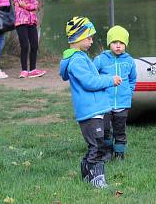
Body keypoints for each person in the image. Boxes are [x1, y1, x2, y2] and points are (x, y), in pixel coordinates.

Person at [59, 16, 115, 189]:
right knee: (96, 146)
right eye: (89, 37)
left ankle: (86, 175)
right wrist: (109, 80)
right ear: (77, 38)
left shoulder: (81, 57)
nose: (91, 41)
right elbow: (89, 82)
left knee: (100, 144)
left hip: (96, 109)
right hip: (90, 111)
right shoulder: (76, 61)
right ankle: (97, 179)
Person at [94, 25, 137, 161]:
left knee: (120, 130)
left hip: (123, 102)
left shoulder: (129, 61)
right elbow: (93, 77)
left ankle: (119, 153)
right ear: (109, 44)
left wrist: (129, 92)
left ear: (125, 44)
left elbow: (132, 78)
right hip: (105, 103)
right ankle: (107, 152)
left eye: (121, 43)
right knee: (105, 130)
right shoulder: (101, 59)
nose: (118, 46)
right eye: (114, 42)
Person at [11, 0, 46, 78]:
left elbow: (36, 4)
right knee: (25, 45)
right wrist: (28, 5)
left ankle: (33, 69)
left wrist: (27, 6)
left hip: (32, 21)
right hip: (21, 21)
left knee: (34, 44)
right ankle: (24, 70)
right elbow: (20, 1)